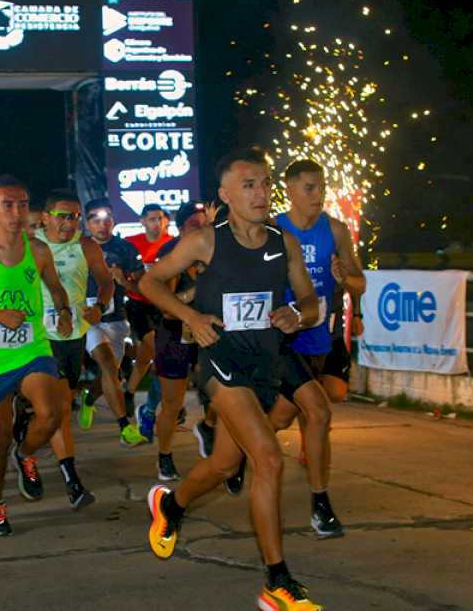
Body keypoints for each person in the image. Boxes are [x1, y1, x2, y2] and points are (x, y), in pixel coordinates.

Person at [141, 147, 325, 610]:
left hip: (265, 360)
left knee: (225, 465)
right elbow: (149, 283)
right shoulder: (206, 241)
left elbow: (310, 303)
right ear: (225, 194)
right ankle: (276, 583)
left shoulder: (285, 243)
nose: (261, 192)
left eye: (264, 183)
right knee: (268, 458)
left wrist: (295, 315)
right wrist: (190, 315)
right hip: (221, 362)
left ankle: (172, 506)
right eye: (248, 185)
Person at [0, 174, 72, 536]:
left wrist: (65, 313)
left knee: (51, 413)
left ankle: (26, 454)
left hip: (32, 346)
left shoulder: (38, 250)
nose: (17, 212)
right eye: (8, 205)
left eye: (22, 204)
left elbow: (56, 288)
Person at [265, 159, 366, 539]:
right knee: (310, 413)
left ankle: (241, 451)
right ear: (289, 190)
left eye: (321, 186)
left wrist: (346, 277)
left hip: (320, 335)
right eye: (309, 187)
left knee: (304, 412)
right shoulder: (274, 228)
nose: (318, 194)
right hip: (284, 336)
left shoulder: (336, 230)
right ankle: (320, 504)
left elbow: (361, 284)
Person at [34, 188, 115, 509]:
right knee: (59, 410)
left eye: (76, 216)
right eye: (63, 216)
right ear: (46, 217)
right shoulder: (31, 245)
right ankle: (72, 480)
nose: (71, 223)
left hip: (73, 337)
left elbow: (106, 281)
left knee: (57, 409)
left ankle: (25, 445)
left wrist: (101, 305)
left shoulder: (85, 246)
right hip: (38, 338)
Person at [78, 199, 147, 447]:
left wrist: (123, 281)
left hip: (116, 319)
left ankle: (89, 398)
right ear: (87, 223)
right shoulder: (77, 248)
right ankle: (125, 426)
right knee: (107, 364)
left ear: (113, 222)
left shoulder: (125, 249)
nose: (102, 225)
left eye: (106, 219)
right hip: (88, 319)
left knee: (111, 374)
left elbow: (141, 284)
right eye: (95, 220)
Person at [150, 202, 209, 482]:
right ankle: (164, 454)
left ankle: (210, 431)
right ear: (181, 228)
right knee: (172, 403)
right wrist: (200, 289)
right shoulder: (171, 254)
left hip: (208, 332)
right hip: (175, 333)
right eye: (194, 225)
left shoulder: (213, 249)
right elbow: (166, 307)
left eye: (204, 224)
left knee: (223, 394)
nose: (201, 230)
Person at [124, 204, 174, 440]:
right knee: (160, 353)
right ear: (142, 221)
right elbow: (120, 274)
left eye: (160, 219)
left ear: (166, 221)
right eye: (151, 219)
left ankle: (129, 392)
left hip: (163, 306)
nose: (156, 223)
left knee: (145, 358)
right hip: (139, 306)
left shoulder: (174, 244)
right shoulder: (130, 243)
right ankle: (154, 407)